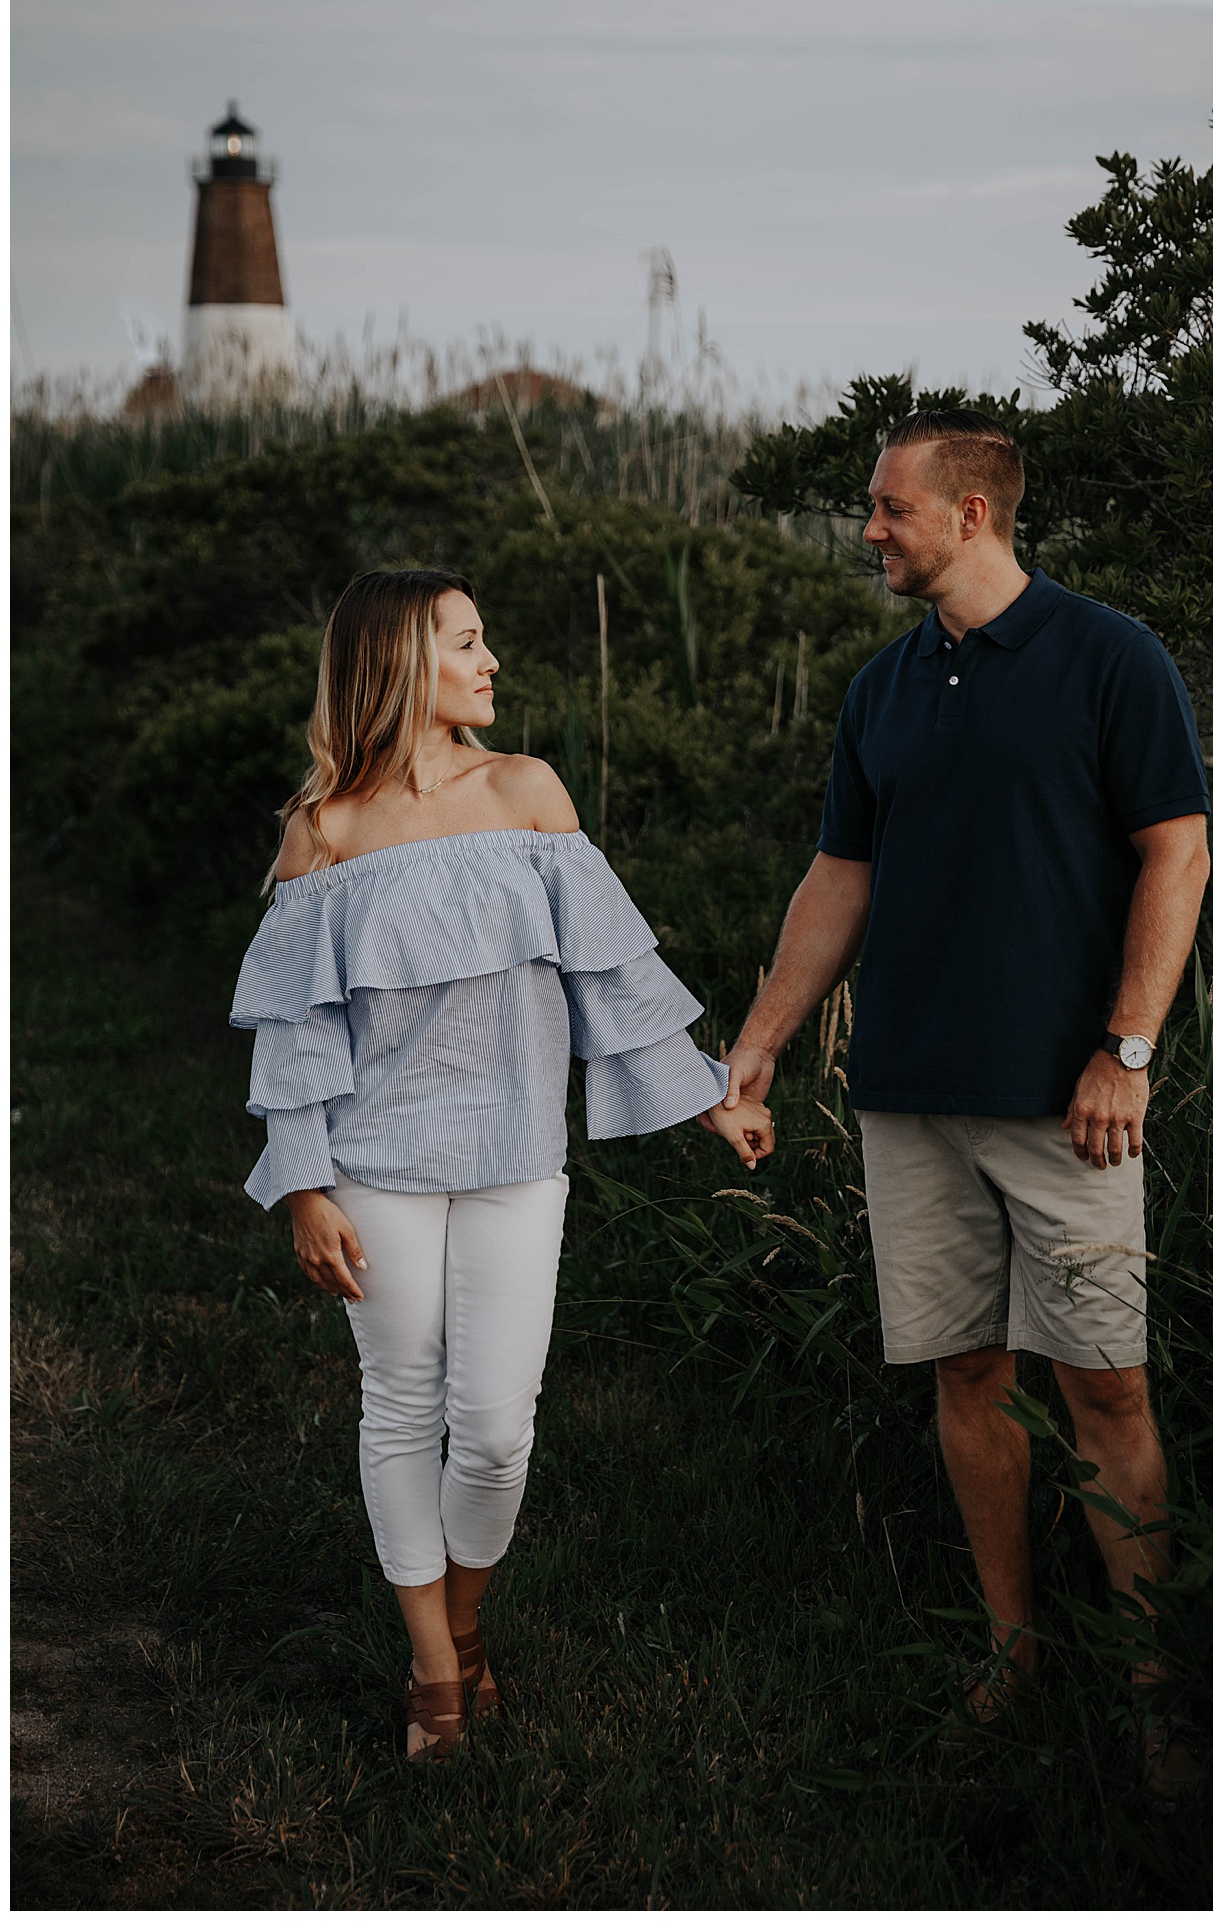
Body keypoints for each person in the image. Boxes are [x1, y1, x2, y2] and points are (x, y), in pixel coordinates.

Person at [710, 409, 1211, 1804]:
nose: (868, 529)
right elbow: (839, 881)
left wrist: (1130, 1048)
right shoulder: (881, 689)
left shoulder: (1112, 658)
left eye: (888, 508)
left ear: (973, 514)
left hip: (1070, 1101)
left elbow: (1177, 854)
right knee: (966, 1376)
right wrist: (760, 1041)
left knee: (1106, 1385)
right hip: (911, 1093)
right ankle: (1011, 1656)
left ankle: (1163, 1695)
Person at [230, 567, 773, 1759]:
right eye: (466, 642)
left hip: (518, 1152)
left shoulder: (527, 791)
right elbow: (297, 1027)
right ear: (398, 666)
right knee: (402, 1399)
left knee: (493, 1427)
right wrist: (305, 1183)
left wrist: (702, 1098)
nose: (491, 662)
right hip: (376, 1157)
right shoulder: (324, 828)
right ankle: (434, 1669)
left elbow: (612, 975)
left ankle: (469, 1625)